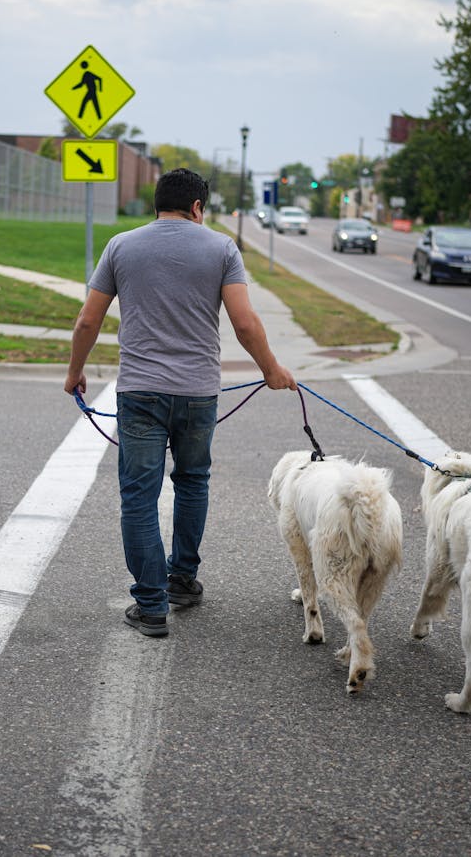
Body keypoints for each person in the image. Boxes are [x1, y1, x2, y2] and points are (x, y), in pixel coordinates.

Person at [63, 168, 297, 638]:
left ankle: (151, 606)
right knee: (192, 482)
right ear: (197, 207)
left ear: (157, 204)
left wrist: (75, 373)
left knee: (139, 496)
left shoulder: (121, 246)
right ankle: (182, 580)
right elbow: (245, 324)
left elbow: (89, 321)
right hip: (197, 394)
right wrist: (271, 370)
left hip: (141, 392)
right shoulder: (222, 248)